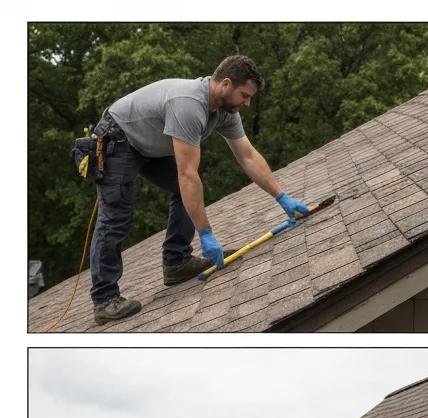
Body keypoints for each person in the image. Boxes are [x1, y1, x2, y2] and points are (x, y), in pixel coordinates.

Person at [89, 54, 310, 324]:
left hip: (149, 143)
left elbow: (248, 156)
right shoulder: (189, 105)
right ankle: (104, 298)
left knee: (187, 188)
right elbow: (187, 174)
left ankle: (176, 262)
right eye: (245, 95)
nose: (247, 103)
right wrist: (206, 233)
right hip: (118, 139)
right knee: (117, 215)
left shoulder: (226, 112)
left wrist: (282, 197)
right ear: (225, 84)